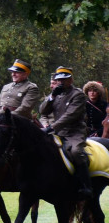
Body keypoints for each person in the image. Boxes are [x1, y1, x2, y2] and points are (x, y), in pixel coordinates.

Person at [38, 66, 92, 198]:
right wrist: (52, 96)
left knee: (75, 152)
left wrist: (50, 128)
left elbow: (70, 115)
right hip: (58, 132)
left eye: (65, 79)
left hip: (75, 132)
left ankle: (86, 186)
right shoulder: (57, 94)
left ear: (71, 80)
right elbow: (42, 111)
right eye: (59, 79)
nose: (61, 82)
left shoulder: (78, 94)